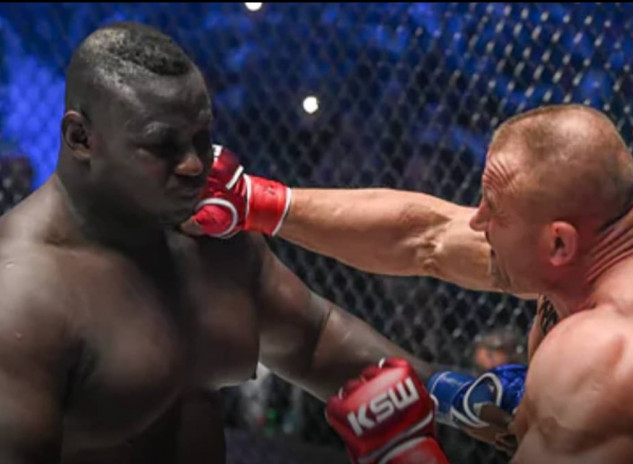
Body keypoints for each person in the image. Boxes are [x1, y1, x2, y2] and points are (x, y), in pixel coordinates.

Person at [0, 22, 447, 464]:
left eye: (202, 137)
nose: (195, 165)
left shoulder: (206, 235)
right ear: (81, 139)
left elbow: (312, 341)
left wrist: (460, 396)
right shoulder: (23, 296)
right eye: (162, 145)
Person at [187, 104, 633, 463]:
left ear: (558, 243)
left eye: (493, 209)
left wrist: (404, 451)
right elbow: (426, 237)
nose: (476, 221)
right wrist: (258, 202)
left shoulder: (606, 361)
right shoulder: (630, 247)